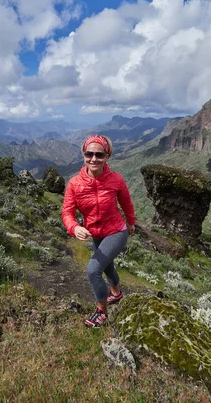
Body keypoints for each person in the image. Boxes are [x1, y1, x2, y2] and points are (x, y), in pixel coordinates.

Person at [61, 134, 136, 328]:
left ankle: (101, 311)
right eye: (89, 153)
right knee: (107, 264)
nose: (94, 158)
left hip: (116, 231)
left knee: (94, 269)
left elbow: (126, 203)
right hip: (95, 233)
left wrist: (131, 222)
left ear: (107, 156)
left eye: (99, 154)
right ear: (83, 154)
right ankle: (116, 293)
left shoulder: (116, 180)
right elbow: (67, 212)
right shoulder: (74, 184)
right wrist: (74, 227)